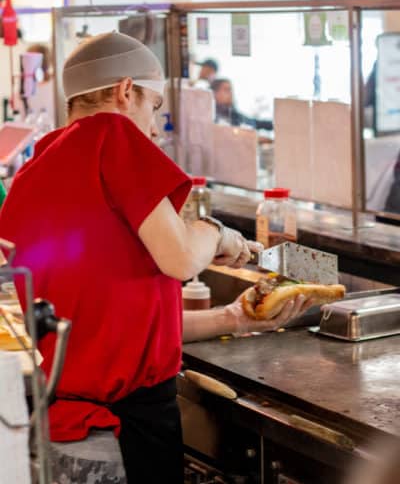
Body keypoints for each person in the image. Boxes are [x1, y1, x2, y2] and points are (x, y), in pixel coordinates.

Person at [0, 32, 309, 484]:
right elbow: (183, 259)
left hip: (61, 434)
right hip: (119, 435)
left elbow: (109, 324)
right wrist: (216, 232)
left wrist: (232, 318)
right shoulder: (113, 134)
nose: (152, 127)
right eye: (155, 106)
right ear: (126, 91)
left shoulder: (37, 166)